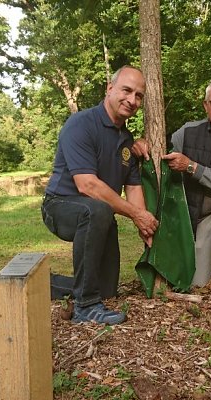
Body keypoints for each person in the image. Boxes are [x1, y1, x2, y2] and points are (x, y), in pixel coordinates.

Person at [41, 65, 158, 325]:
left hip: (98, 215)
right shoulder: (81, 124)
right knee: (97, 208)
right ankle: (84, 307)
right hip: (60, 206)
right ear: (109, 88)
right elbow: (88, 186)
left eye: (138, 96)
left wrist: (145, 227)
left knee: (106, 288)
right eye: (126, 90)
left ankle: (48, 285)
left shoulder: (127, 140)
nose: (132, 100)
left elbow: (134, 188)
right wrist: (137, 215)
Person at [134, 77, 211, 295]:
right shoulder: (187, 131)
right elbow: (160, 150)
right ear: (205, 105)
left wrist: (191, 167)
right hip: (196, 217)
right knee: (195, 284)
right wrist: (143, 141)